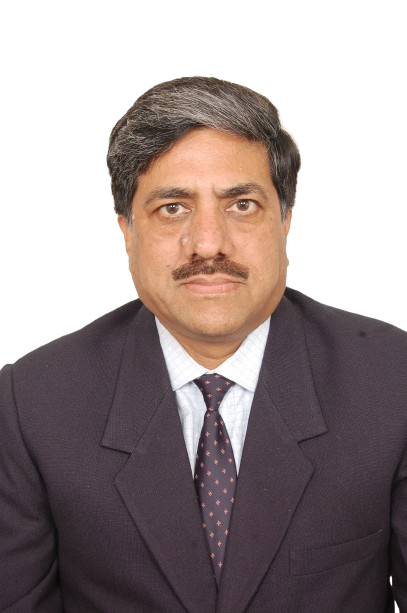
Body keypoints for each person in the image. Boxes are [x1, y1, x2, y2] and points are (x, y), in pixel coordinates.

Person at [0, 76, 405, 613]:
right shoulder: (31, 401)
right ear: (126, 229)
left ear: (286, 218)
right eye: (173, 207)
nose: (209, 243)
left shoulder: (394, 380)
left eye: (242, 204)